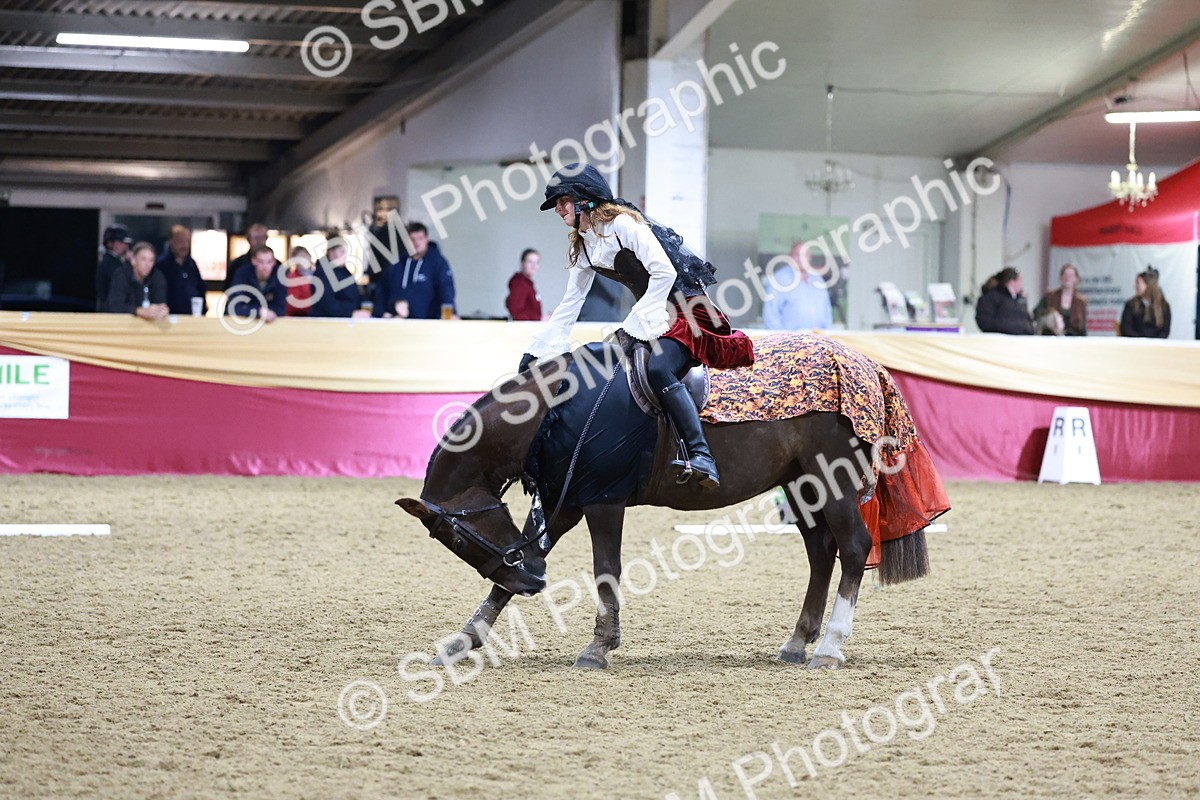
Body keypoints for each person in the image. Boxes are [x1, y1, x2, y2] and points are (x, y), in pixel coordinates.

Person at [520, 163, 754, 490]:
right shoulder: (583, 243)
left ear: (586, 198)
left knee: (658, 369)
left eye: (563, 200)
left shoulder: (623, 225)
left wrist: (633, 324)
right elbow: (570, 302)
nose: (558, 209)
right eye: (556, 204)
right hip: (652, 315)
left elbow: (664, 274)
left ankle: (702, 455)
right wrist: (539, 348)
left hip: (685, 311)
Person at [372, 222, 456, 319]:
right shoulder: (396, 264)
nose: (416, 243)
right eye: (412, 239)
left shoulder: (437, 263)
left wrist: (451, 313)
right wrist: (381, 313)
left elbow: (446, 289)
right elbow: (382, 290)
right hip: (397, 322)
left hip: (427, 323)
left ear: (427, 239)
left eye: (420, 238)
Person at [762, 242, 834, 330]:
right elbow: (771, 314)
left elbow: (827, 310)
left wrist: (827, 336)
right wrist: (781, 340)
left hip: (817, 340)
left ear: (809, 257)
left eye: (805, 255)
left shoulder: (817, 279)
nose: (801, 259)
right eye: (797, 254)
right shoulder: (779, 279)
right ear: (790, 257)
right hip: (789, 341)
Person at [107, 241, 168, 320]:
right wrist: (139, 311)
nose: (147, 264)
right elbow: (115, 306)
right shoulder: (121, 274)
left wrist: (162, 310)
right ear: (133, 260)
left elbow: (160, 302)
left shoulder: (157, 276)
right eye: (143, 259)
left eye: (151, 260)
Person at [155, 224, 207, 316]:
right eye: (180, 242)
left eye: (186, 242)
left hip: (192, 317)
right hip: (168, 317)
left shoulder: (192, 264)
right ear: (171, 242)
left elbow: (200, 288)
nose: (184, 246)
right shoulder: (161, 265)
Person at [227, 245, 286, 322]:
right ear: (254, 261)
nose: (265, 267)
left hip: (271, 323)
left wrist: (264, 312)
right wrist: (259, 312)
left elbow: (281, 308)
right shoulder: (242, 274)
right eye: (261, 262)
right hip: (242, 323)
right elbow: (234, 307)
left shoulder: (280, 276)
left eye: (269, 262)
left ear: (274, 262)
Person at [309, 237, 364, 318]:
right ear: (331, 252)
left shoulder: (344, 271)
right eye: (341, 252)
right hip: (328, 322)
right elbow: (327, 303)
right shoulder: (323, 273)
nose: (345, 256)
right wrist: (350, 312)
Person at [1033, 263, 1087, 336]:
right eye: (1065, 275)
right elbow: (1037, 313)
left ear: (1076, 279)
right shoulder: (1049, 296)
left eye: (1071, 275)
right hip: (1051, 338)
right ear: (1061, 277)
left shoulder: (1081, 302)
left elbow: (1083, 327)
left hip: (1073, 340)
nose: (1067, 278)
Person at [975, 266, 1033, 335]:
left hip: (1022, 340)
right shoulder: (990, 298)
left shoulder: (1020, 300)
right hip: (999, 340)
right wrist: (1012, 327)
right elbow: (985, 322)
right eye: (1019, 280)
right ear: (1011, 282)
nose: (1021, 284)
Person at [1119, 268, 1171, 338]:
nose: (1135, 287)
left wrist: (1153, 343)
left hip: (1156, 346)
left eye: (1138, 283)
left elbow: (1165, 330)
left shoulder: (1163, 306)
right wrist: (1140, 341)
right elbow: (1126, 328)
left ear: (1148, 285)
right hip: (1135, 345)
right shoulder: (1131, 305)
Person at [226, 223, 278, 290]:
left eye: (261, 237)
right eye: (255, 238)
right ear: (249, 240)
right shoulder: (237, 264)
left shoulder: (277, 266)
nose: (258, 241)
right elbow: (229, 289)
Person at [95, 224, 132, 312]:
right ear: (110, 243)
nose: (125, 246)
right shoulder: (110, 263)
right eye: (121, 242)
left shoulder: (114, 262)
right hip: (110, 310)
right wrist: (130, 263)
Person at [506, 248, 544, 320]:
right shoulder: (519, 284)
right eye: (530, 262)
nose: (534, 266)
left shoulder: (528, 285)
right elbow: (516, 313)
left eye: (537, 262)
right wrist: (539, 318)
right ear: (522, 264)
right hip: (524, 329)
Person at [283, 246, 315, 317]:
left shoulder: (319, 274)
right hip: (300, 317)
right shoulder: (291, 278)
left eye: (304, 256)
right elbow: (292, 305)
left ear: (309, 257)